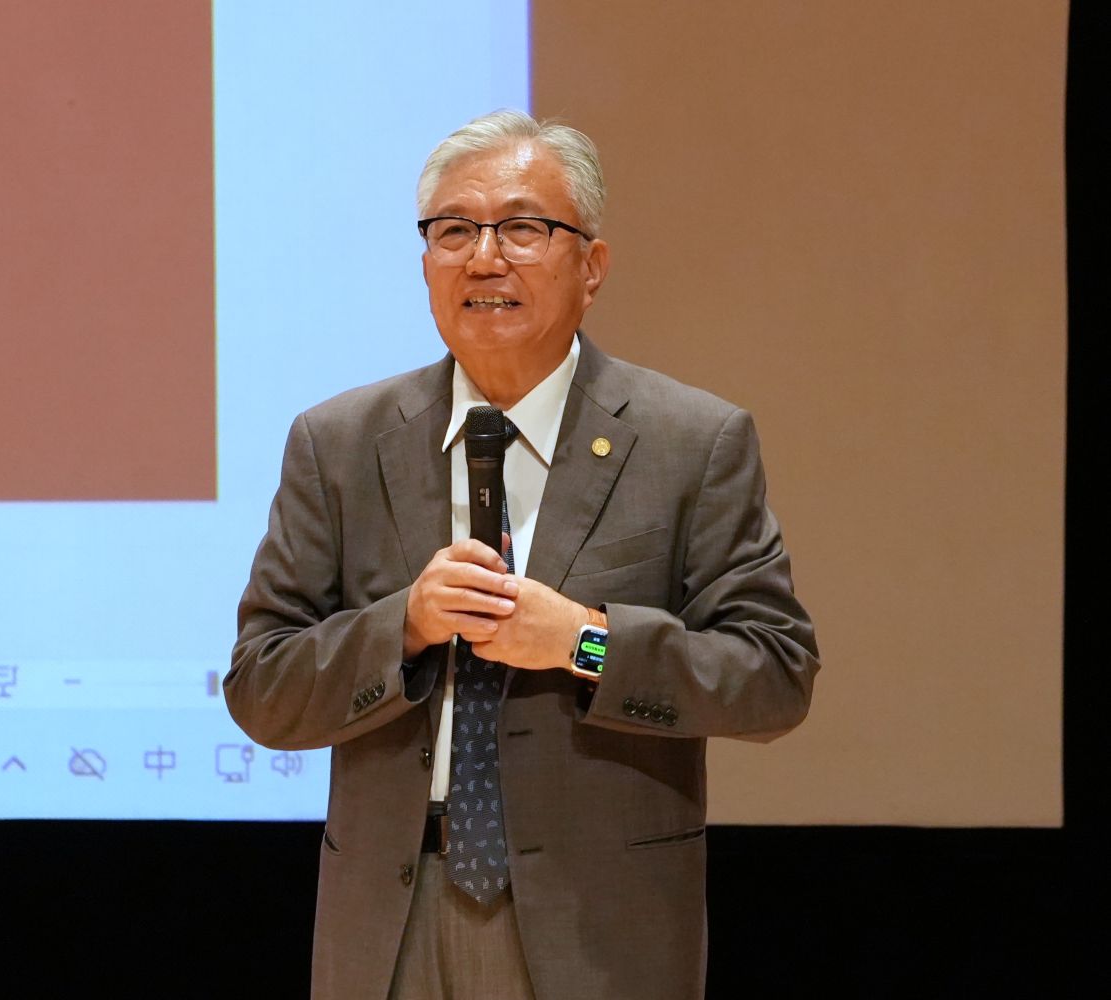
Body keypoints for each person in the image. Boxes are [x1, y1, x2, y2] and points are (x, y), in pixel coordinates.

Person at [226, 109, 819, 1000]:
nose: (484, 258)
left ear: (592, 266)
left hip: (598, 927)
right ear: (425, 263)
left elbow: (774, 676)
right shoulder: (339, 443)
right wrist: (404, 627)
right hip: (394, 919)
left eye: (522, 228)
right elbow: (262, 688)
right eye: (453, 231)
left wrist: (584, 640)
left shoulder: (691, 442)